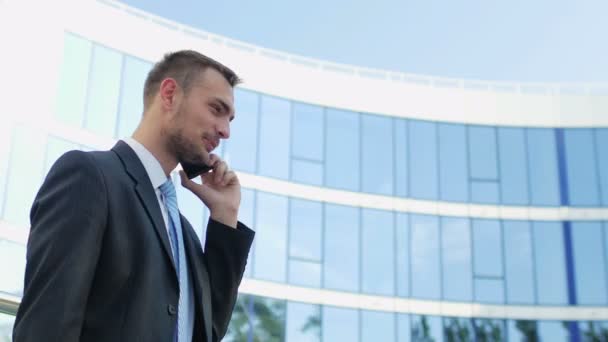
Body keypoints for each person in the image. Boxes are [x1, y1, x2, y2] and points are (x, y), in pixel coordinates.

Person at [13, 50, 255, 342]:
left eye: (230, 119)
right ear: (169, 95)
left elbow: (206, 332)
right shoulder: (90, 176)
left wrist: (225, 218)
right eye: (216, 109)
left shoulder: (185, 234)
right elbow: (46, 327)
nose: (226, 131)